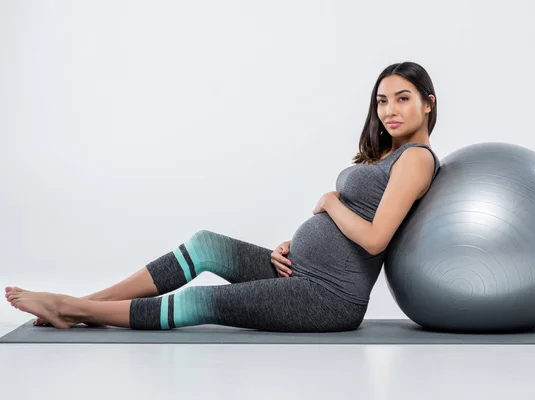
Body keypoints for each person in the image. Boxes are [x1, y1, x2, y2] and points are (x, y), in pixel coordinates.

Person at [5, 61, 441, 332]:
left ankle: (73, 308)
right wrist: (299, 242)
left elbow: (374, 239)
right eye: (382, 101)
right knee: (205, 245)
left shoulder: (417, 159)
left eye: (403, 99)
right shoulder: (389, 154)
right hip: (298, 270)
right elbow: (352, 226)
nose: (389, 111)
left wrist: (329, 202)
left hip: (327, 298)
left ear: (427, 103)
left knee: (200, 302)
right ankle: (91, 303)